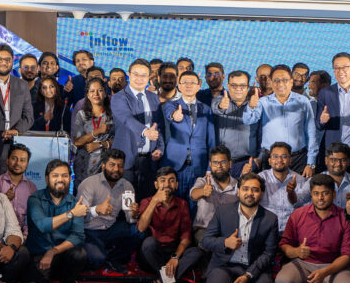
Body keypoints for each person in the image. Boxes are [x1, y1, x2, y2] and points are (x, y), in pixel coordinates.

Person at [276, 174, 350, 283]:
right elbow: (284, 245)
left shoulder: (345, 218)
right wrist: (296, 252)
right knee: (283, 282)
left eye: (325, 193)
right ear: (311, 195)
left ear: (334, 194)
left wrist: (325, 272)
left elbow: (348, 255)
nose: (320, 198)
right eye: (316, 193)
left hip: (332, 266)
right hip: (303, 264)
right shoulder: (298, 215)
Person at [200, 173, 279, 283]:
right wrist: (225, 242)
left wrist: (248, 275)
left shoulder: (270, 219)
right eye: (245, 189)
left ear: (261, 193)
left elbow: (269, 253)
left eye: (255, 190)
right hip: (225, 266)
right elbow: (206, 240)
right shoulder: (223, 211)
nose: (250, 193)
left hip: (253, 268)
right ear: (238, 191)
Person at [25, 160, 87, 283]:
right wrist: (72, 214)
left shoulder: (74, 202)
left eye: (64, 175)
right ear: (47, 179)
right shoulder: (35, 199)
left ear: (70, 179)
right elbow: (43, 225)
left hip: (61, 254)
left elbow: (78, 236)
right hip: (38, 255)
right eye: (55, 175)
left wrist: (53, 251)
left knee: (79, 254)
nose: (60, 179)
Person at [136, 167, 200, 283]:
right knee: (149, 243)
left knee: (196, 252)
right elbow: (141, 228)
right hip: (151, 255)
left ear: (176, 185)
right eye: (162, 180)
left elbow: (186, 237)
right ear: (156, 185)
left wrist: (175, 257)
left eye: (171, 180)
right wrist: (155, 201)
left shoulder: (182, 204)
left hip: (172, 254)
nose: (167, 184)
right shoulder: (146, 202)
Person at [243, 65, 318, 175]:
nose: (281, 84)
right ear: (271, 82)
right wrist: (251, 106)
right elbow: (248, 120)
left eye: (285, 80)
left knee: (300, 187)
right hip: (270, 159)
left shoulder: (303, 101)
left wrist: (311, 163)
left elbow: (311, 133)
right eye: (276, 80)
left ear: (291, 82)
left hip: (298, 159)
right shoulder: (263, 102)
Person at [77, 149, 140, 274]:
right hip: (90, 231)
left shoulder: (127, 186)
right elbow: (78, 216)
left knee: (139, 231)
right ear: (103, 165)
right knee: (97, 259)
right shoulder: (89, 184)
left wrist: (134, 214)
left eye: (120, 166)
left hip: (111, 229)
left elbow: (130, 219)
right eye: (112, 165)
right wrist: (97, 210)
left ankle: (112, 258)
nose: (116, 169)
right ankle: (104, 257)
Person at [111, 58, 163, 200]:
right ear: (129, 74)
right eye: (136, 74)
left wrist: (160, 148)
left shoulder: (154, 98)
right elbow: (127, 119)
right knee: (125, 205)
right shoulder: (118, 97)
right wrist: (145, 132)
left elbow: (159, 126)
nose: (139, 79)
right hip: (125, 161)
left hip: (149, 161)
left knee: (147, 203)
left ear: (149, 77)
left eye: (144, 75)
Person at [161, 70, 215, 198]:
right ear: (179, 86)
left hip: (199, 165)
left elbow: (211, 141)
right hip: (175, 165)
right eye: (185, 82)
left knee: (195, 204)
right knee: (175, 203)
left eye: (192, 82)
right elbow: (170, 114)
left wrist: (209, 167)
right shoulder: (171, 105)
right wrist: (175, 115)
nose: (188, 85)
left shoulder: (206, 109)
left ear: (199, 86)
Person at [189, 146, 240, 258]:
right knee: (212, 246)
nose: (219, 166)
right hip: (204, 229)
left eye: (223, 162)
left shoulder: (238, 185)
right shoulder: (203, 181)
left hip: (227, 231)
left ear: (230, 164)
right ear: (210, 164)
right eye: (215, 162)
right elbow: (193, 193)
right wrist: (203, 191)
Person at [212, 71, 260, 177]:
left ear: (248, 87)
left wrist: (258, 159)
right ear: (228, 85)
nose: (238, 89)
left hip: (249, 162)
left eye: (242, 86)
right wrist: (221, 106)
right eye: (234, 85)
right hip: (223, 163)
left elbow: (262, 134)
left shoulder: (256, 104)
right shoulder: (219, 100)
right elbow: (216, 108)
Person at [259, 141, 310, 235]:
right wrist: (244, 176)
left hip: (292, 232)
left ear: (290, 160)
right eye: (275, 156)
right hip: (266, 232)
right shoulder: (261, 179)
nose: (279, 160)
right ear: (269, 161)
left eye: (284, 156)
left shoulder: (300, 180)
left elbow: (306, 210)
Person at [72, 77, 115, 184]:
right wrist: (98, 131)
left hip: (105, 163)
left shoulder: (113, 115)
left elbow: (120, 141)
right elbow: (77, 142)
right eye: (92, 91)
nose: (96, 94)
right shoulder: (81, 115)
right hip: (83, 164)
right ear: (87, 94)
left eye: (100, 90)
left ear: (105, 93)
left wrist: (100, 144)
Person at [0, 143, 37, 238]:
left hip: (22, 233)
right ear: (7, 160)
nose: (18, 163)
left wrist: (25, 235)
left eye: (22, 160)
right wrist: (4, 199)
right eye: (14, 158)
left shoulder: (31, 187)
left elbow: (33, 217)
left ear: (27, 164)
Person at [319, 142, 350, 208]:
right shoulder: (316, 180)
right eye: (334, 160)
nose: (338, 164)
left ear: (348, 162)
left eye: (343, 160)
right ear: (326, 160)